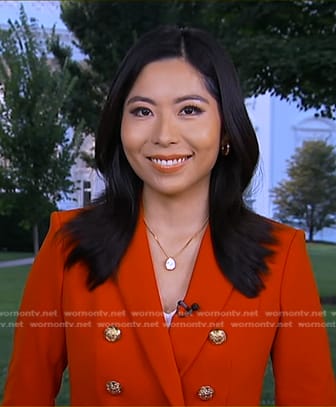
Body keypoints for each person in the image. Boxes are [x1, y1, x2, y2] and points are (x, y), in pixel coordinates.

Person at [2, 25, 335, 406]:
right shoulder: (68, 243)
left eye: (190, 110)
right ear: (120, 125)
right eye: (142, 111)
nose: (164, 134)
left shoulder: (281, 254)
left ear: (226, 129)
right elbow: (25, 395)